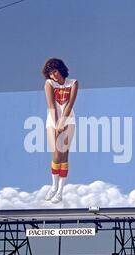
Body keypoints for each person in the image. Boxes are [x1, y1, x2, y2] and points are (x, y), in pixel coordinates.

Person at [42, 58, 78, 203]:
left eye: (55, 71)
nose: (53, 75)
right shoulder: (49, 83)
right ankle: (54, 185)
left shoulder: (73, 83)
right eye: (50, 73)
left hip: (68, 120)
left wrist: (63, 122)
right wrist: (57, 124)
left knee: (64, 156)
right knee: (57, 154)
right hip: (52, 120)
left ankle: (60, 191)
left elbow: (69, 105)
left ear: (60, 69)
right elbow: (51, 105)